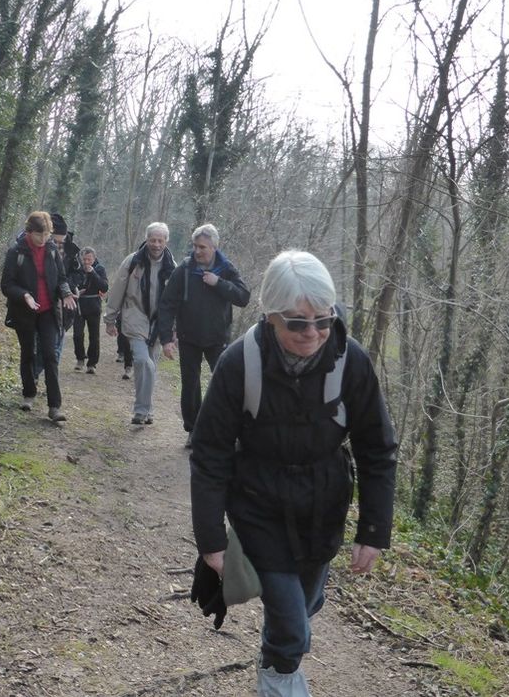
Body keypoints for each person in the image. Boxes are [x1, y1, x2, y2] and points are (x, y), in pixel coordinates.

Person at [189, 250, 397, 696]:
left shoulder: (351, 361)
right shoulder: (238, 363)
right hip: (258, 506)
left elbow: (377, 448)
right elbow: (210, 453)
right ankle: (280, 678)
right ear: (270, 317)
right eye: (297, 322)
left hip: (323, 510)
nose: (314, 333)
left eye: (323, 320)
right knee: (292, 628)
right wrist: (211, 539)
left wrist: (374, 529)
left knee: (304, 604)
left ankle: (279, 646)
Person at [158, 223, 250, 448]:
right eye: (195, 246)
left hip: (218, 339)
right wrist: (166, 339)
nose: (198, 251)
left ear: (214, 248)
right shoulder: (186, 269)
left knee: (226, 385)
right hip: (189, 337)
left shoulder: (226, 268)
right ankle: (193, 430)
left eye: (203, 247)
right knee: (190, 385)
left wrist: (219, 283)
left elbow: (243, 297)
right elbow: (167, 303)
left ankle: (230, 430)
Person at [0, 211, 78, 422]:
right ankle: (28, 394)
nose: (43, 240)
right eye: (39, 235)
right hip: (24, 311)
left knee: (51, 355)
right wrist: (24, 294)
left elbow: (61, 278)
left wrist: (66, 293)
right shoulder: (16, 251)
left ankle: (54, 406)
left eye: (46, 235)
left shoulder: (52, 250)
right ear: (29, 231)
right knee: (28, 353)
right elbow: (6, 284)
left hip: (47, 311)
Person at [103, 222, 176, 424]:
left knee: (148, 365)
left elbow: (176, 301)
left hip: (158, 323)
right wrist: (110, 319)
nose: (156, 244)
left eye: (160, 240)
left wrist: (174, 329)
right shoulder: (133, 261)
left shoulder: (172, 267)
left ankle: (146, 409)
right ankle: (142, 410)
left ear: (166, 241)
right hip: (134, 315)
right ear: (147, 239)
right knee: (144, 362)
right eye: (153, 240)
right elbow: (118, 289)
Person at [34, 212, 80, 379]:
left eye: (62, 240)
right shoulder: (33, 249)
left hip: (63, 305)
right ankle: (35, 374)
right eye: (56, 240)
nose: (59, 244)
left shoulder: (72, 251)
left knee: (58, 342)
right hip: (40, 302)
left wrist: (68, 285)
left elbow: (78, 274)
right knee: (39, 343)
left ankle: (50, 377)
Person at [72, 247, 108, 374]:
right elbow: (71, 284)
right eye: (85, 259)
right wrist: (76, 291)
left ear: (94, 258)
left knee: (94, 336)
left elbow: (104, 287)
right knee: (77, 334)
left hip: (94, 306)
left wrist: (93, 273)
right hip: (79, 306)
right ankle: (80, 358)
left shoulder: (100, 269)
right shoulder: (77, 269)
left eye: (89, 259)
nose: (86, 262)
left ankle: (92, 363)